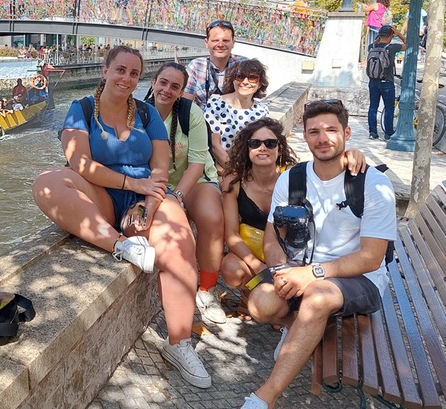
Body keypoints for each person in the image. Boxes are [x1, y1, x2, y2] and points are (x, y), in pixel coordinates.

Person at [33, 45, 212, 389]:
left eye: (134, 73)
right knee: (47, 183)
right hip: (100, 194)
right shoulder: (82, 109)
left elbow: (161, 166)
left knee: (179, 241)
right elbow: (80, 163)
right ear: (105, 71)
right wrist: (131, 183)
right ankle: (120, 245)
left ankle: (179, 343)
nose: (127, 78)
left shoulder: (147, 113)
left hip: (144, 195)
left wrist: (148, 204)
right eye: (120, 70)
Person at [240, 100, 396, 408]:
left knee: (318, 297)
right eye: (314, 131)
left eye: (331, 130)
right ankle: (301, 330)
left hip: (359, 277)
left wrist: (312, 274)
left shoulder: (373, 184)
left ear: (346, 133)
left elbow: (371, 258)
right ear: (305, 136)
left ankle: (264, 397)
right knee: (260, 303)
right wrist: (281, 271)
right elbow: (272, 236)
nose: (322, 138)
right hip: (300, 268)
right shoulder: (292, 179)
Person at [145, 61, 227, 325]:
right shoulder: (139, 113)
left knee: (212, 218)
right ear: (153, 83)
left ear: (181, 92)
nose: (167, 90)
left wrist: (178, 196)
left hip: (195, 179)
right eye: (163, 82)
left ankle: (207, 290)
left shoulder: (190, 113)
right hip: (157, 184)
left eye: (175, 86)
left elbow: (197, 162)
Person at [219, 118, 298, 315]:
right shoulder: (234, 181)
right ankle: (250, 295)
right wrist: (258, 267)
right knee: (232, 270)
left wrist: (350, 156)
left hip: (285, 250)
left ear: (280, 148)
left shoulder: (292, 176)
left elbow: (325, 171)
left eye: (270, 143)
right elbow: (231, 235)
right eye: (255, 143)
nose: (262, 148)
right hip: (250, 248)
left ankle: (280, 306)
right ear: (247, 148)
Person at [204, 59, 269, 169]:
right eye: (240, 76)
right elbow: (214, 144)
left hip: (250, 168)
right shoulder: (216, 103)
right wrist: (235, 172)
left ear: (259, 84)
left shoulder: (262, 111)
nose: (245, 82)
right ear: (233, 80)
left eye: (252, 78)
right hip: (220, 168)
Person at [183, 20, 247, 110]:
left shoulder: (243, 64)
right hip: (203, 118)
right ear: (206, 43)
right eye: (215, 40)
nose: (220, 44)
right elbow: (185, 104)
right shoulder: (196, 66)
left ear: (233, 43)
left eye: (225, 41)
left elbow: (250, 99)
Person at [367, 25, 405, 141]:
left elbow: (374, 43)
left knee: (373, 106)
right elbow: (409, 45)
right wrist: (399, 34)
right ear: (391, 35)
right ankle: (388, 133)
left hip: (373, 81)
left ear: (379, 34)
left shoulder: (371, 47)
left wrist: (379, 38)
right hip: (387, 82)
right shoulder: (392, 47)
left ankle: (372, 132)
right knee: (389, 108)